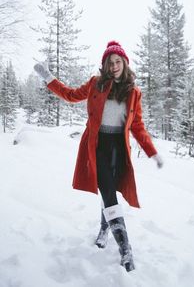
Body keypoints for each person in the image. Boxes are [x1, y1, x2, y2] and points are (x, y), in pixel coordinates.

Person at [34, 40, 163, 272]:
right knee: (108, 192)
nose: (113, 66)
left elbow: (138, 126)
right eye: (109, 62)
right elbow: (71, 95)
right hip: (98, 146)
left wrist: (151, 151)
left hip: (118, 148)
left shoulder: (133, 92)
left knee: (110, 191)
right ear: (104, 65)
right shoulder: (96, 84)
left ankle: (104, 228)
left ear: (124, 63)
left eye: (117, 61)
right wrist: (49, 78)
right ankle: (126, 250)